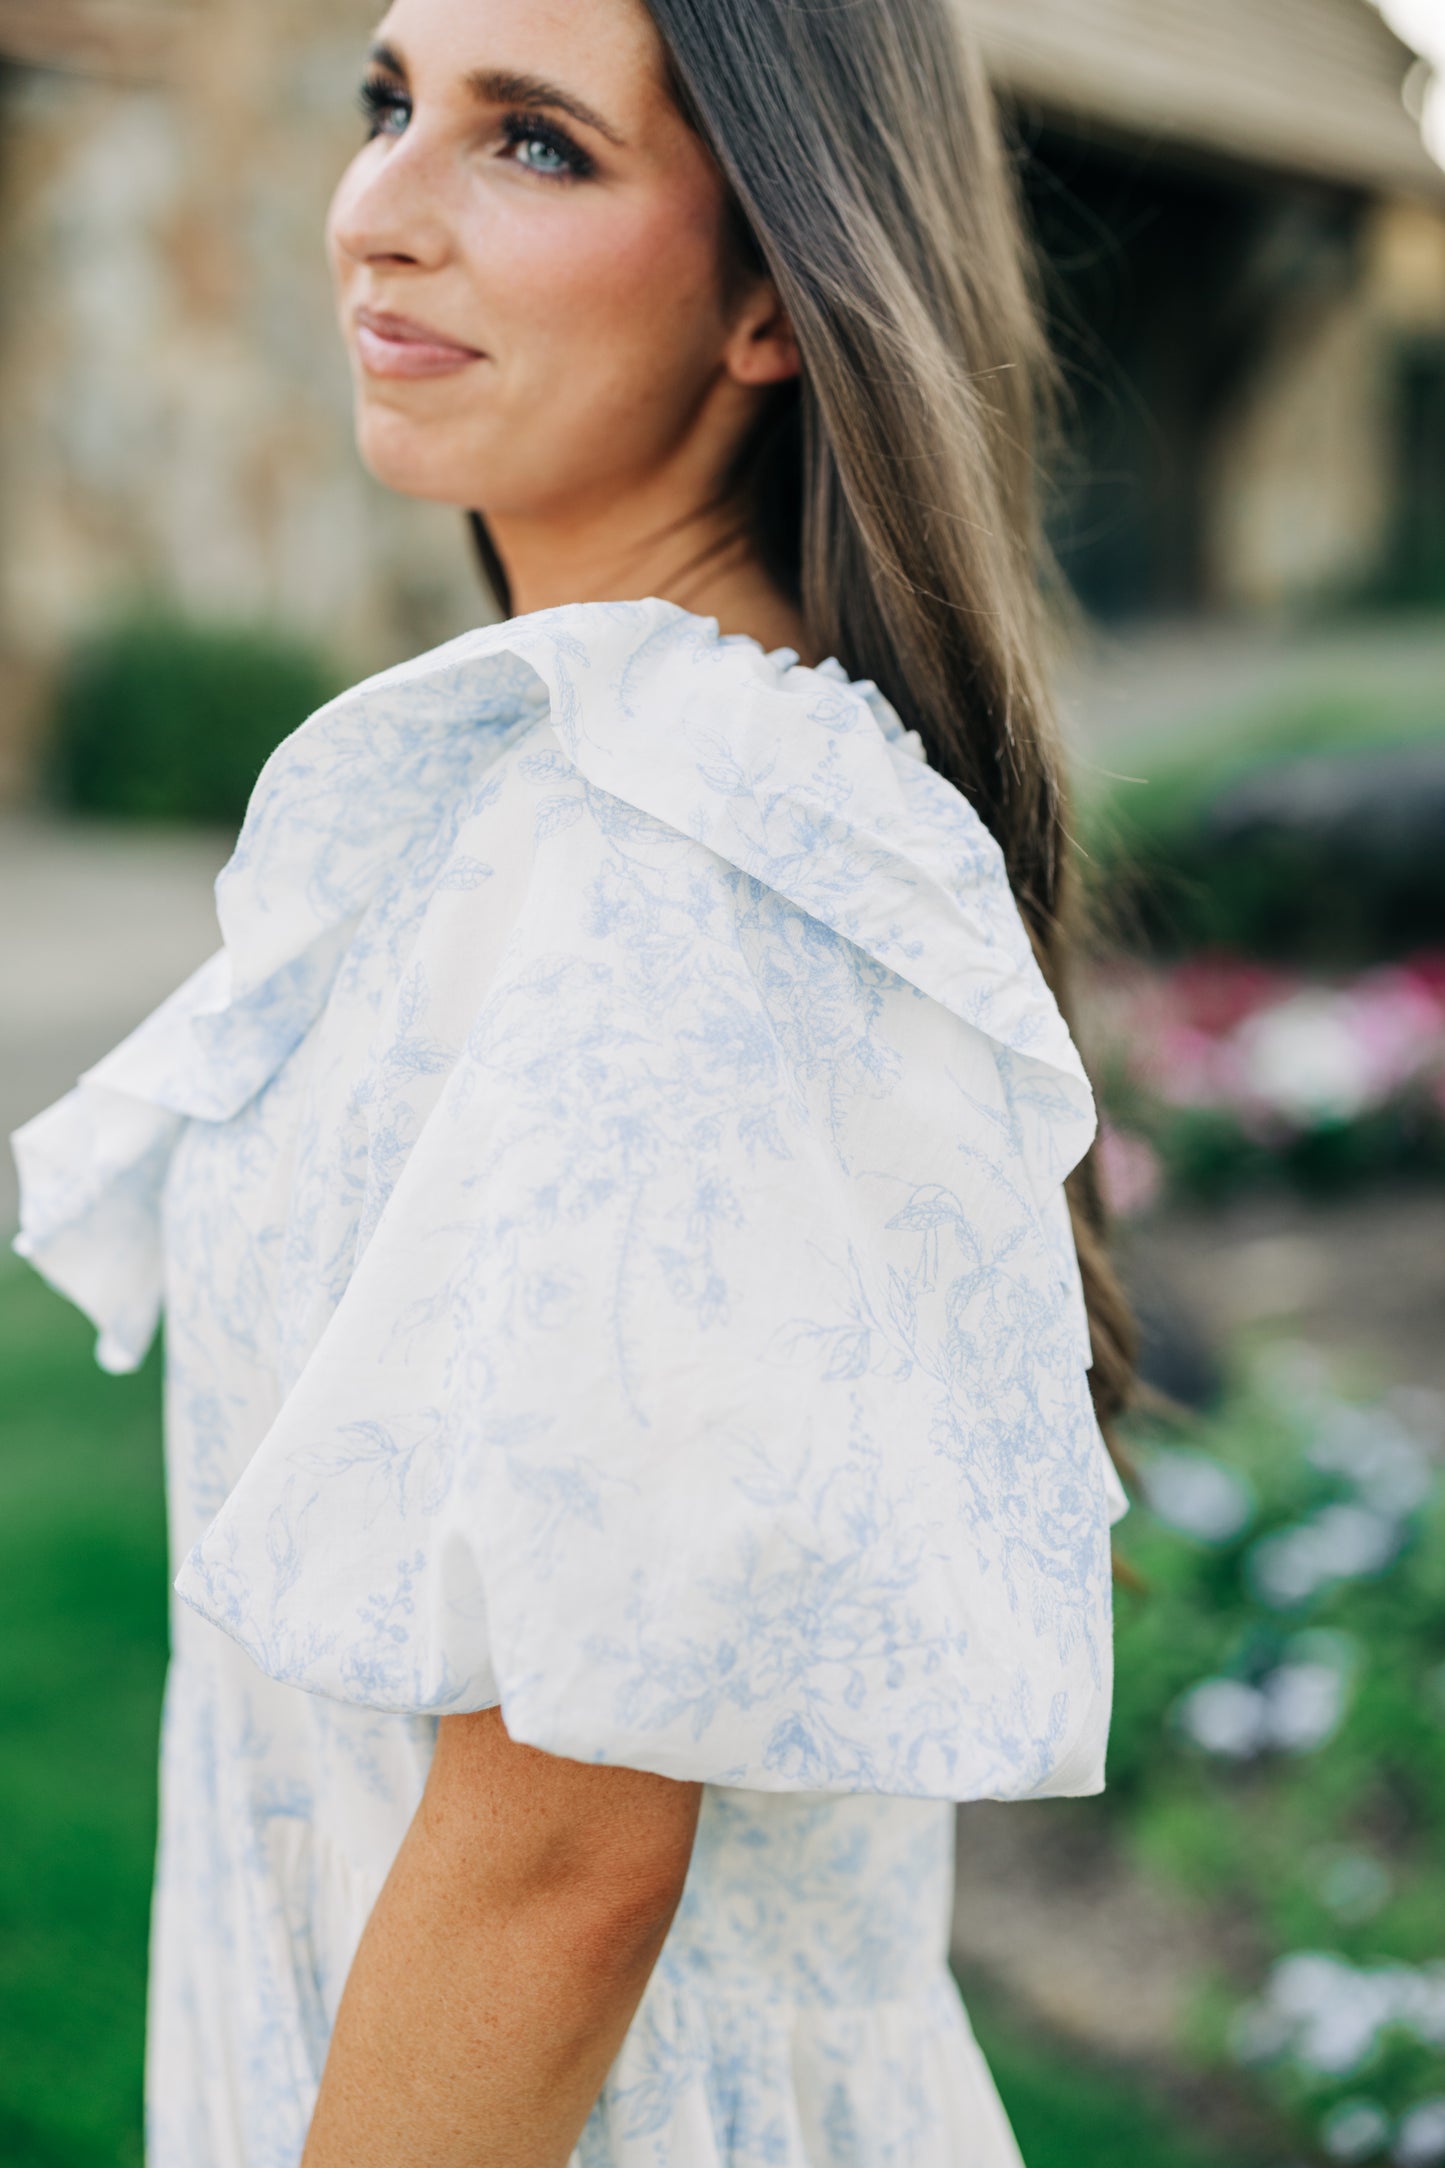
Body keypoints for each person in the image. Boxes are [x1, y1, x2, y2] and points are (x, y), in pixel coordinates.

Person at [12, 0, 1136, 2160]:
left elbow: (559, 1859)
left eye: (531, 145)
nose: (378, 214)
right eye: (387, 103)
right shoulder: (579, 779)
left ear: (770, 302)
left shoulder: (686, 873)